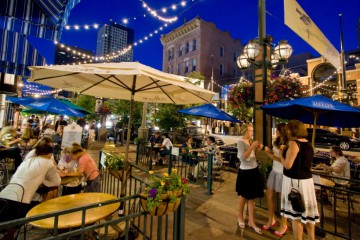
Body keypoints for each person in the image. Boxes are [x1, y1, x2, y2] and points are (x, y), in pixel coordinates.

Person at [0, 137, 61, 239]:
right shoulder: (49, 163)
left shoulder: (28, 160)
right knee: (38, 201)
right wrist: (42, 181)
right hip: (21, 201)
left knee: (6, 224)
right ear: (50, 154)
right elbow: (57, 181)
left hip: (4, 195)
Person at [279, 120, 319, 240]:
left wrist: (281, 155)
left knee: (296, 216)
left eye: (288, 129)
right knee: (309, 216)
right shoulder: (308, 144)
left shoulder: (293, 144)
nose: (287, 132)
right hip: (307, 182)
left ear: (293, 130)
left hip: (295, 182)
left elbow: (287, 165)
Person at [236, 123, 264, 235]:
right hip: (245, 172)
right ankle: (240, 217)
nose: (252, 133)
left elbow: (253, 157)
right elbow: (243, 157)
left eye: (252, 131)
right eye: (250, 131)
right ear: (245, 132)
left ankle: (252, 222)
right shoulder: (240, 142)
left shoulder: (251, 141)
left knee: (252, 199)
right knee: (243, 197)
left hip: (254, 171)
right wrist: (252, 146)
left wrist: (256, 148)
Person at [262, 123, 289, 236]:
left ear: (283, 131)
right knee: (269, 196)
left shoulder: (288, 144)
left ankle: (284, 224)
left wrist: (275, 158)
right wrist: (268, 151)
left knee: (284, 200)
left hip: (283, 173)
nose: (276, 132)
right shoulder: (277, 142)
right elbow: (275, 154)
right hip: (274, 171)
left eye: (278, 130)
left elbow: (286, 161)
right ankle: (271, 219)